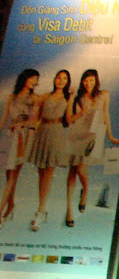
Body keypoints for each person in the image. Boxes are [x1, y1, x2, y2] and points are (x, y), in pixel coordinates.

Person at [65, 69, 119, 226]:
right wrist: (73, 101)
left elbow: (106, 114)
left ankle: (85, 190)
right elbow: (72, 119)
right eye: (85, 80)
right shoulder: (80, 98)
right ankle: (69, 211)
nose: (88, 83)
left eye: (91, 80)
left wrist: (110, 135)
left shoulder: (104, 94)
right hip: (79, 133)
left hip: (96, 134)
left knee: (81, 167)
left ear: (96, 81)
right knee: (72, 170)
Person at [27, 70, 73, 230]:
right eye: (59, 77)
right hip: (43, 132)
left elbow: (69, 119)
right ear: (55, 79)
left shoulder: (68, 97)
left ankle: (41, 210)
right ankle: (42, 208)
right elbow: (36, 116)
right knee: (41, 171)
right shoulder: (45, 96)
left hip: (56, 132)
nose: (61, 80)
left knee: (48, 172)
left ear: (67, 81)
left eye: (64, 78)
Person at [0, 69, 40, 226]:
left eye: (37, 79)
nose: (35, 82)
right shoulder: (12, 97)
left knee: (13, 174)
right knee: (8, 174)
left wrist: (20, 124)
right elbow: (4, 118)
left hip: (23, 135)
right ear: (25, 78)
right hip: (10, 135)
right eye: (33, 78)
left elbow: (34, 120)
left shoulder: (34, 98)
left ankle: (1, 211)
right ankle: (10, 205)